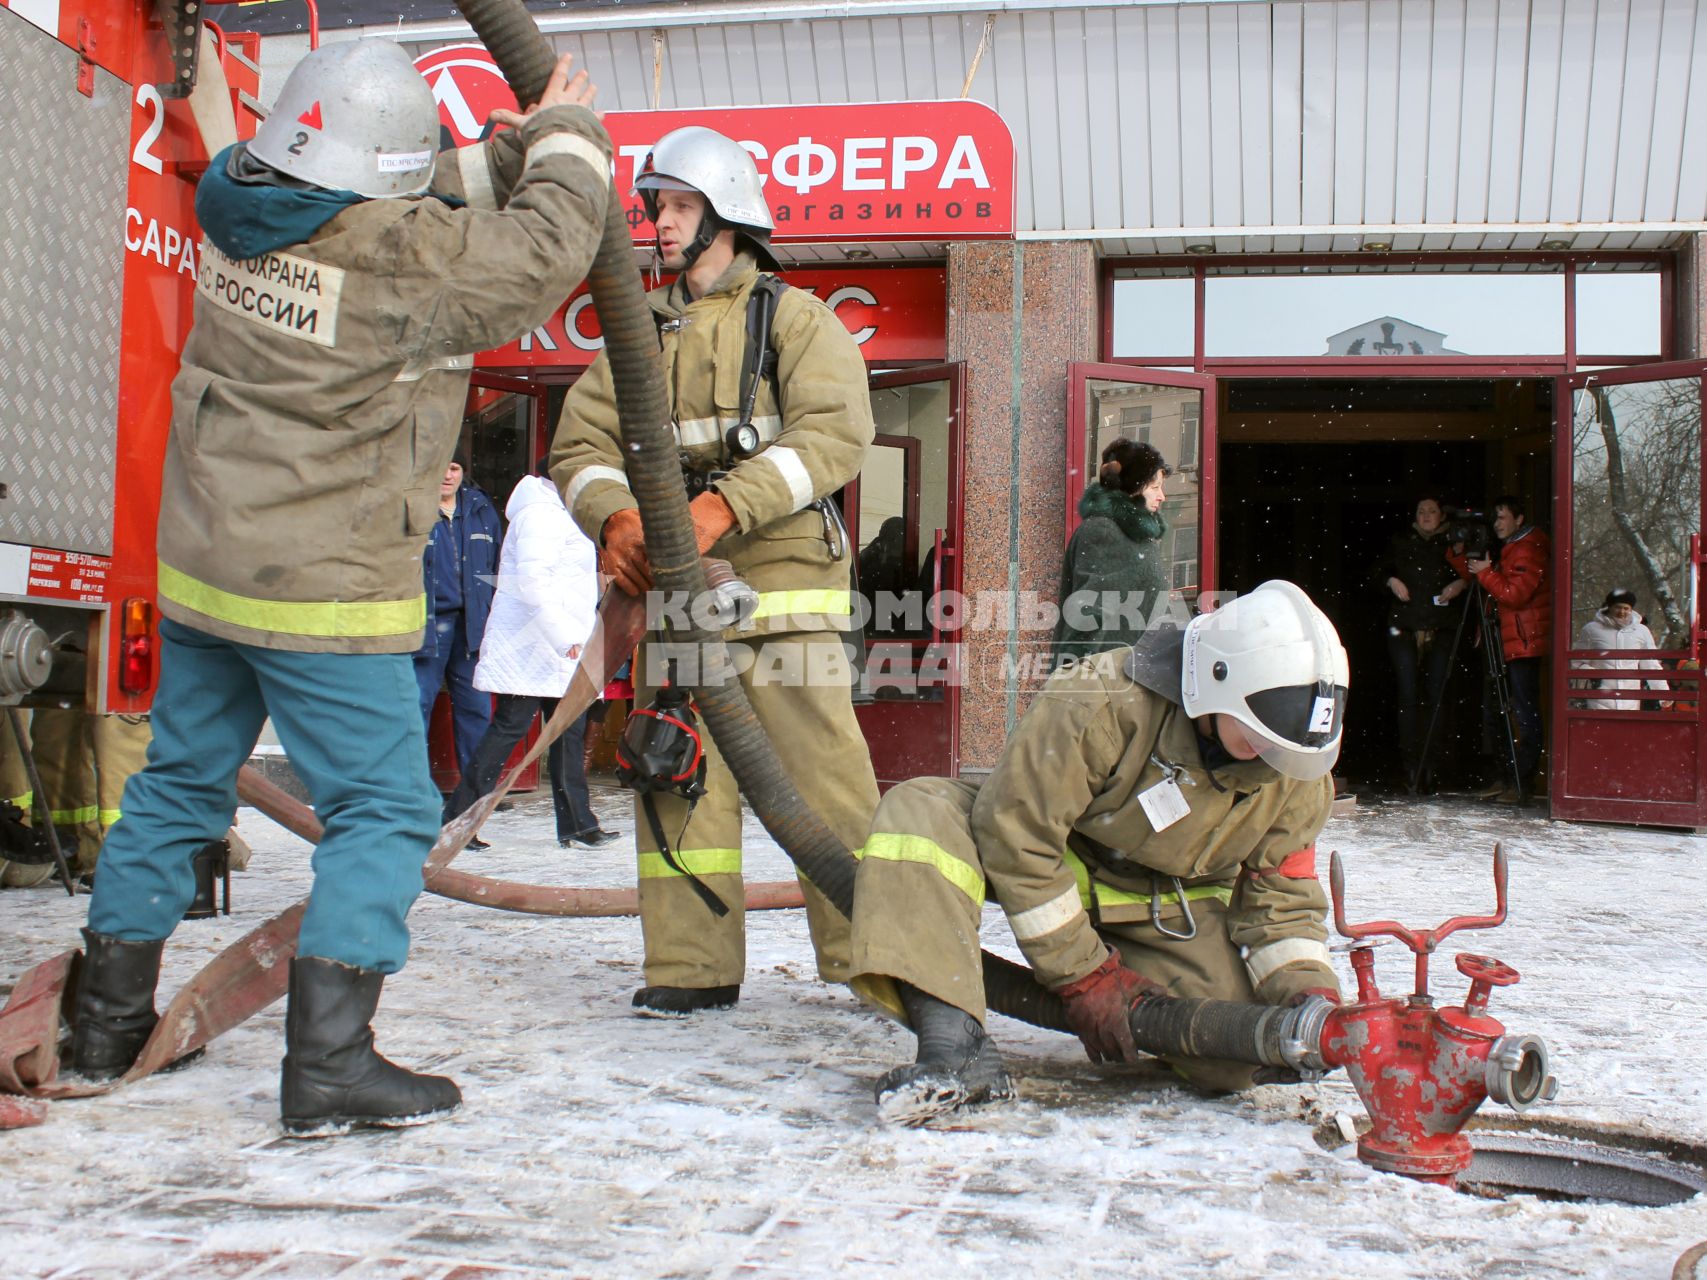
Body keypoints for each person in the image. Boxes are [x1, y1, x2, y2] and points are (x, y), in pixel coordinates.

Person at [67, 41, 612, 1135]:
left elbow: (417, 192)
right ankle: (329, 1062)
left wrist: (501, 151)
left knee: (179, 781)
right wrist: (568, 139)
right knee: (389, 809)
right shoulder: (397, 262)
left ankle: (102, 1023)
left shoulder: (239, 196)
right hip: (322, 587)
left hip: (211, 564)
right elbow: (546, 248)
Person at [550, 124, 880, 1017]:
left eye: (680, 206)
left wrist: (719, 506)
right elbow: (576, 445)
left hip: (781, 602)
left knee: (825, 788)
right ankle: (691, 966)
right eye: (654, 207)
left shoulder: (793, 319)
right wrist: (614, 515)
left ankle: (869, 958)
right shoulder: (636, 333)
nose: (659, 224)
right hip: (675, 609)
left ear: (728, 217)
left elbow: (835, 436)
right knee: (673, 777)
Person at [849, 580, 1348, 1123]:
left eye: (1288, 748)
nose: (1275, 759)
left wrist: (1306, 995)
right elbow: (1017, 834)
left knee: (1232, 1059)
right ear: (1215, 681)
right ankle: (955, 1050)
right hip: (1049, 856)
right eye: (1261, 736)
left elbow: (1283, 900)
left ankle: (1182, 1019)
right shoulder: (1099, 701)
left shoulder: (1298, 771)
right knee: (918, 815)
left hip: (1163, 906)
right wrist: (1083, 975)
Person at [442, 463, 617, 849]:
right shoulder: (541, 513)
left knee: (568, 733)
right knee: (508, 732)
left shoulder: (561, 511)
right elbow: (534, 581)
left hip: (558, 647)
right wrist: (564, 637)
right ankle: (457, 821)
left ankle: (578, 823)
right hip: (533, 648)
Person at [1449, 494, 1552, 803]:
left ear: (1519, 519)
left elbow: (1513, 594)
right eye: (1494, 518)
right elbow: (1480, 576)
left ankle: (1521, 782)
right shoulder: (1510, 548)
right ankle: (1505, 777)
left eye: (1502, 517)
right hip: (1508, 640)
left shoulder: (1529, 549)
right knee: (1499, 712)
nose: (1496, 524)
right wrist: (1459, 554)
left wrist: (1485, 572)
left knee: (1522, 713)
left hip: (1523, 642)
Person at [414, 452, 501, 775]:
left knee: (476, 709)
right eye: (440, 466)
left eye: (454, 467)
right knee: (416, 707)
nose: (447, 475)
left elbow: (496, 566)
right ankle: (414, 792)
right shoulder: (414, 509)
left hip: (472, 625)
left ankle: (475, 791)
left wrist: (492, 612)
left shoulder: (480, 509)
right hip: (425, 623)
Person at [1372, 495, 1465, 792]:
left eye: (1431, 511)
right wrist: (1391, 581)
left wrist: (1461, 583)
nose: (1426, 516)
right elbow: (1377, 571)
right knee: (1408, 696)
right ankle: (1410, 765)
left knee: (1437, 697)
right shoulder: (1401, 541)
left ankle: (1433, 766)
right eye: (1421, 511)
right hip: (1405, 625)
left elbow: (1473, 574)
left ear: (1442, 516)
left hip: (1442, 626)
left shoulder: (1453, 543)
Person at [1052, 438, 1170, 665]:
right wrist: (1075, 680)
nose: (1161, 496)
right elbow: (1089, 612)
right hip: (1109, 684)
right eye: (1154, 487)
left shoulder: (1137, 536)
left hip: (1135, 678)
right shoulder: (1105, 530)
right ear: (1132, 487)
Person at [1574, 587, 1665, 710]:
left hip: (1630, 699)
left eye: (1626, 608)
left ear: (1631, 610)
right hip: (1600, 699)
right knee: (1601, 728)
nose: (1622, 612)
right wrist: (1594, 675)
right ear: (1609, 607)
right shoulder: (1591, 629)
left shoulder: (1641, 631)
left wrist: (1663, 693)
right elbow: (1577, 662)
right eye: (1618, 607)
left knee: (1627, 728)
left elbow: (1651, 664)